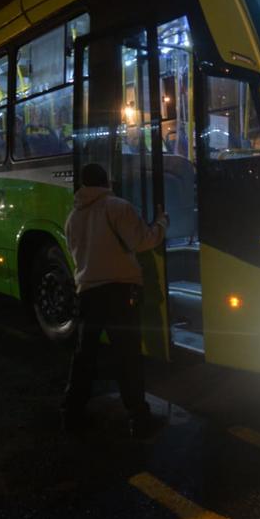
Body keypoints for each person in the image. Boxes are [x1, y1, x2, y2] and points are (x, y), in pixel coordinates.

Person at [62, 163, 169, 439]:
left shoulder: (73, 217)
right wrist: (161, 224)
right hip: (120, 293)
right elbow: (142, 241)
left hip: (87, 293)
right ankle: (138, 417)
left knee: (85, 356)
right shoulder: (118, 207)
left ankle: (71, 412)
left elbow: (76, 256)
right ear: (106, 181)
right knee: (127, 357)